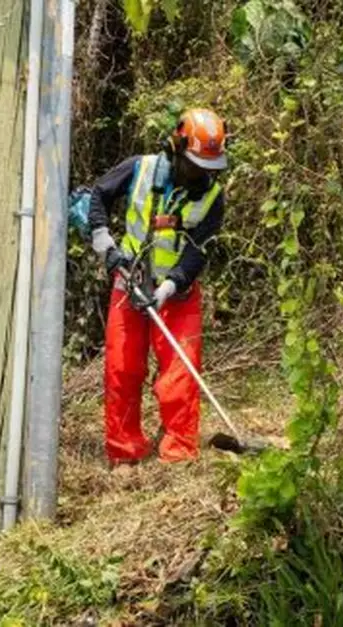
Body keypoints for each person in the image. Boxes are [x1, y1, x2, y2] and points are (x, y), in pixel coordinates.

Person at [86, 107, 229, 467]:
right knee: (122, 369)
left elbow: (199, 252)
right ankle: (124, 452)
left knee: (181, 372)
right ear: (177, 149)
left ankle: (178, 455)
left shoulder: (212, 198)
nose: (203, 175)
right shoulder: (141, 168)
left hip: (177, 294)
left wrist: (170, 286)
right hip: (129, 282)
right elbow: (98, 195)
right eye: (197, 165)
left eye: (210, 168)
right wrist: (104, 241)